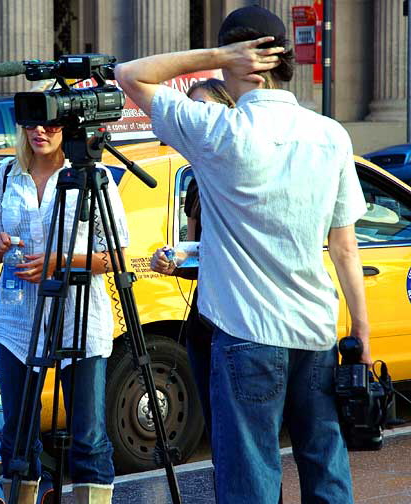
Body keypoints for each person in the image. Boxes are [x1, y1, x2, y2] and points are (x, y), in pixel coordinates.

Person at [116, 6, 370, 503]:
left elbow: (130, 75)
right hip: (316, 328)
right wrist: (359, 329)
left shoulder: (218, 132)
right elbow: (344, 247)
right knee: (325, 466)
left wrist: (214, 57)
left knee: (249, 477)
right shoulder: (330, 135)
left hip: (246, 331)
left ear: (239, 60)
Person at [0, 106, 128, 504]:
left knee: (88, 436)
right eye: (30, 123)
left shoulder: (92, 178)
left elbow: (116, 257)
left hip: (78, 318)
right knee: (16, 433)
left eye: (49, 123)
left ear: (68, 127)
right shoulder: (7, 173)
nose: (38, 131)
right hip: (19, 320)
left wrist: (58, 262)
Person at [149, 78, 234, 443]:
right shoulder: (196, 180)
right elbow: (195, 252)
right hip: (204, 315)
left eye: (203, 109)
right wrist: (173, 260)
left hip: (240, 316)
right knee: (218, 430)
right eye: (189, 111)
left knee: (242, 433)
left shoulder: (242, 172)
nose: (194, 120)